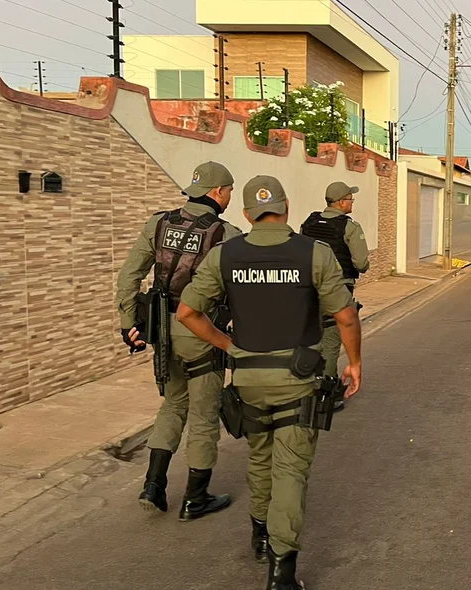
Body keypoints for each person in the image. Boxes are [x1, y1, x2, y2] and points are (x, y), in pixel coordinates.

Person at [177, 175, 362, 589]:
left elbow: (187, 312)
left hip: (247, 379)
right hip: (298, 380)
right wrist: (354, 363)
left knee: (260, 458)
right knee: (290, 471)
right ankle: (282, 570)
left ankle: (260, 536)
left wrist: (229, 345)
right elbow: (346, 315)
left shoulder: (226, 255)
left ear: (246, 213)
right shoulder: (313, 253)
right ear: (287, 206)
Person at [115, 161, 242, 520]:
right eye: (229, 190)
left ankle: (153, 486)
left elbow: (128, 277)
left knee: (173, 404)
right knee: (203, 416)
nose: (229, 196)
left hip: (162, 332)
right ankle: (195, 498)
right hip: (202, 331)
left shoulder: (158, 223)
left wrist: (129, 324)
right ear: (218, 192)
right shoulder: (226, 234)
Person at [300, 181, 370, 411]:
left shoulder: (309, 222)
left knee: (310, 339)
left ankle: (305, 385)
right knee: (331, 341)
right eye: (350, 199)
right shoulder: (349, 227)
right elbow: (361, 263)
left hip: (308, 290)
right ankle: (324, 395)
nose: (352, 203)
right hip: (337, 290)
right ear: (341, 202)